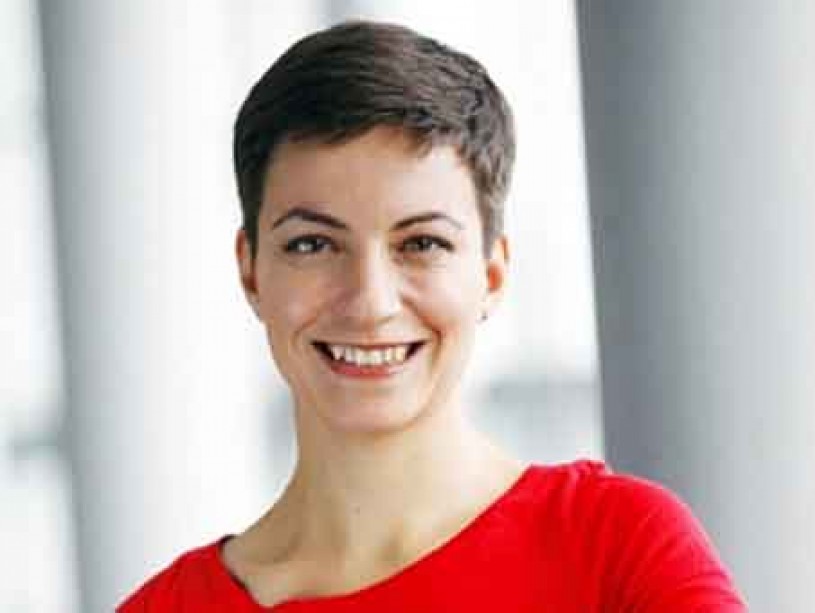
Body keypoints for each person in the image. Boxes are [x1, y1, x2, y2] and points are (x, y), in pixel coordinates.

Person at [118, 20, 746, 612]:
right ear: (251, 271)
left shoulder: (618, 549)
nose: (370, 303)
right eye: (313, 244)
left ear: (491, 274)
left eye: (421, 243)